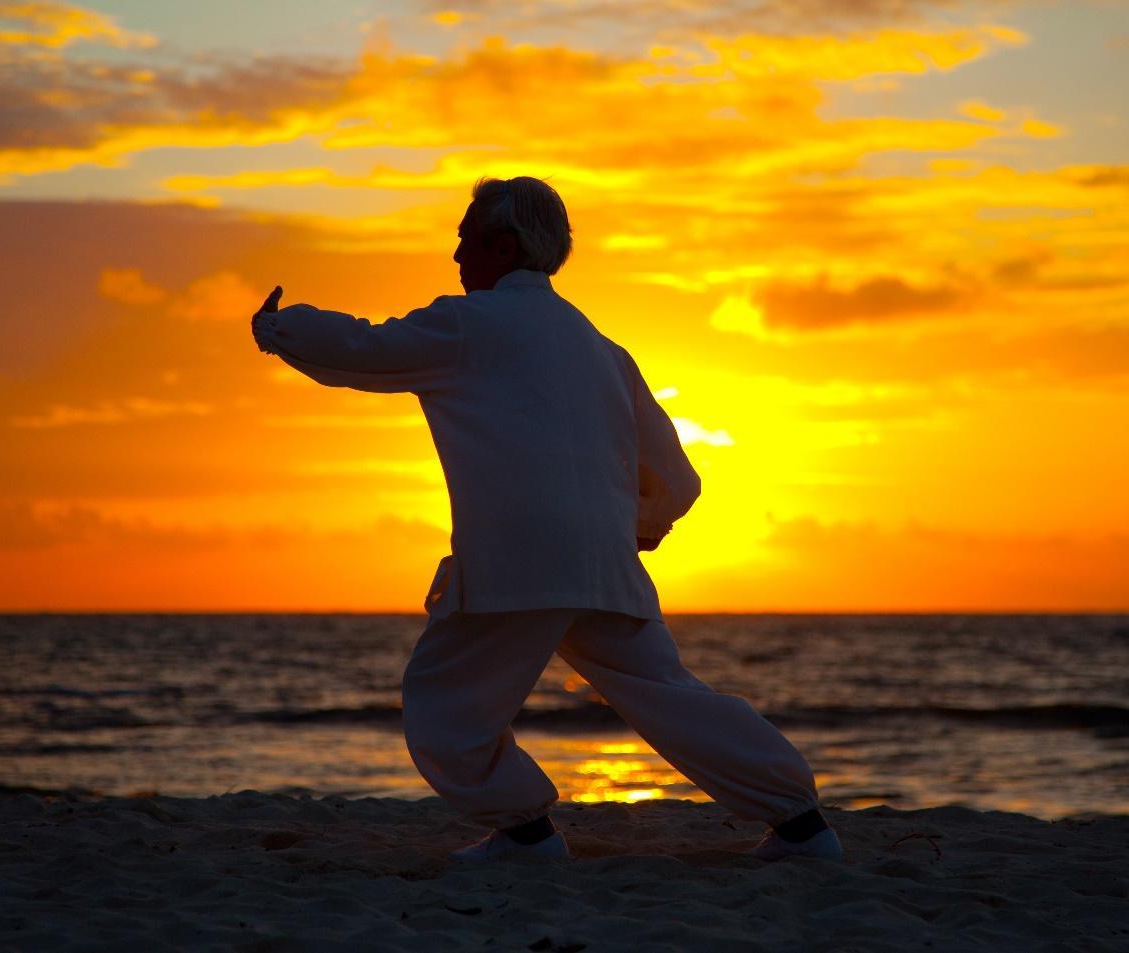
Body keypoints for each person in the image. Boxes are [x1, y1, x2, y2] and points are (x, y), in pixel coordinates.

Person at [251, 176, 841, 864]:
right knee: (670, 696)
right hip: (604, 565)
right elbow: (679, 476)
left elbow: (364, 349)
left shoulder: (470, 324)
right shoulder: (602, 348)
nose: (455, 257)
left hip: (516, 561)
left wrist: (278, 327)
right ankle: (802, 823)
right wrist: (645, 522)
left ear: (501, 247)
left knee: (443, 705)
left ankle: (523, 832)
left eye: (464, 241)